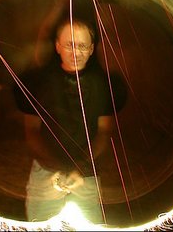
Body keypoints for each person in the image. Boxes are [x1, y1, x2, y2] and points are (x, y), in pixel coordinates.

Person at [14, 18, 126, 224]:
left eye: (82, 46)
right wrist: (59, 167)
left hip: (86, 176)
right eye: (69, 45)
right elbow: (31, 132)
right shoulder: (39, 83)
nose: (76, 52)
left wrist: (80, 167)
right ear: (57, 46)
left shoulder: (103, 85)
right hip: (46, 175)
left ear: (92, 49)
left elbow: (104, 132)